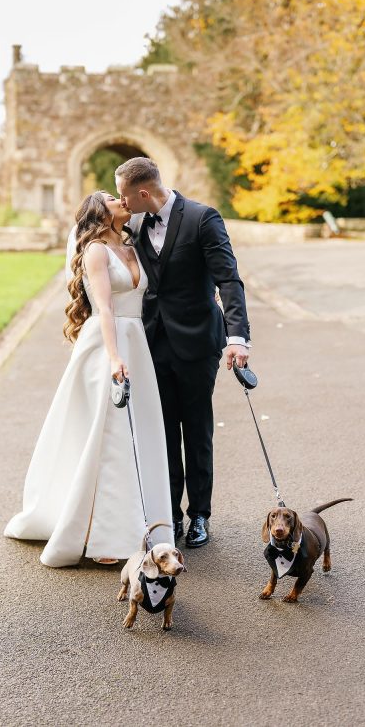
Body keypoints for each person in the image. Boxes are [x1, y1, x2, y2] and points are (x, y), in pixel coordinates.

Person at [4, 191, 173, 567]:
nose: (123, 200)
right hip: (104, 345)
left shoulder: (131, 245)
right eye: (114, 198)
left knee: (135, 435)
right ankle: (105, 534)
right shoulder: (96, 250)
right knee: (108, 436)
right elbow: (105, 306)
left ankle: (138, 520)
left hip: (136, 344)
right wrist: (115, 357)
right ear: (100, 211)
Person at [114, 157, 251, 548]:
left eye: (124, 195)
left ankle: (200, 516)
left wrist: (238, 337)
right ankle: (168, 515)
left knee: (197, 430)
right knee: (162, 432)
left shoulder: (203, 218)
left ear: (143, 193)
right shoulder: (135, 224)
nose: (122, 203)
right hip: (151, 344)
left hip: (197, 344)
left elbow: (228, 278)